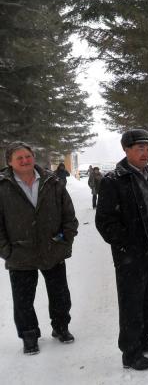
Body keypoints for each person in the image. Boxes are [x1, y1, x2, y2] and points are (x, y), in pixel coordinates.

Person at [95, 129, 148, 371]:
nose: (146, 153)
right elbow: (105, 221)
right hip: (130, 254)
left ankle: (143, 339)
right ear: (126, 149)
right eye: (140, 148)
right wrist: (125, 243)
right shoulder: (113, 180)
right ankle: (130, 353)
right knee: (131, 303)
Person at [0, 142, 78, 355]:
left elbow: (69, 215)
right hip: (20, 253)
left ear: (33, 157)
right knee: (23, 300)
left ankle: (61, 328)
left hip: (53, 249)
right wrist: (6, 250)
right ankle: (29, 336)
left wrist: (65, 241)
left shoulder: (52, 181)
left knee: (60, 294)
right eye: (19, 158)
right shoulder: (3, 186)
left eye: (27, 156)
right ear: (10, 162)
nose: (25, 160)